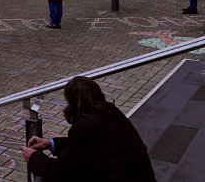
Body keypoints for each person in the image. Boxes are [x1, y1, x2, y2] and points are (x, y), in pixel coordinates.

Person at [22, 77, 155, 182]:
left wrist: (34, 158)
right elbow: (86, 146)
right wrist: (50, 143)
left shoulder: (85, 126)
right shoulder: (110, 112)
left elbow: (62, 171)